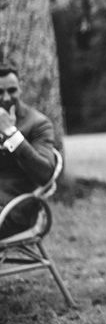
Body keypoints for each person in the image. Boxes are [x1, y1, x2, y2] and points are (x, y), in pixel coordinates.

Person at [0, 64, 57, 239]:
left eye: (12, 90)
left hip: (16, 211)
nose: (6, 98)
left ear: (21, 88)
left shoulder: (39, 124)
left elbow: (45, 173)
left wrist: (11, 133)